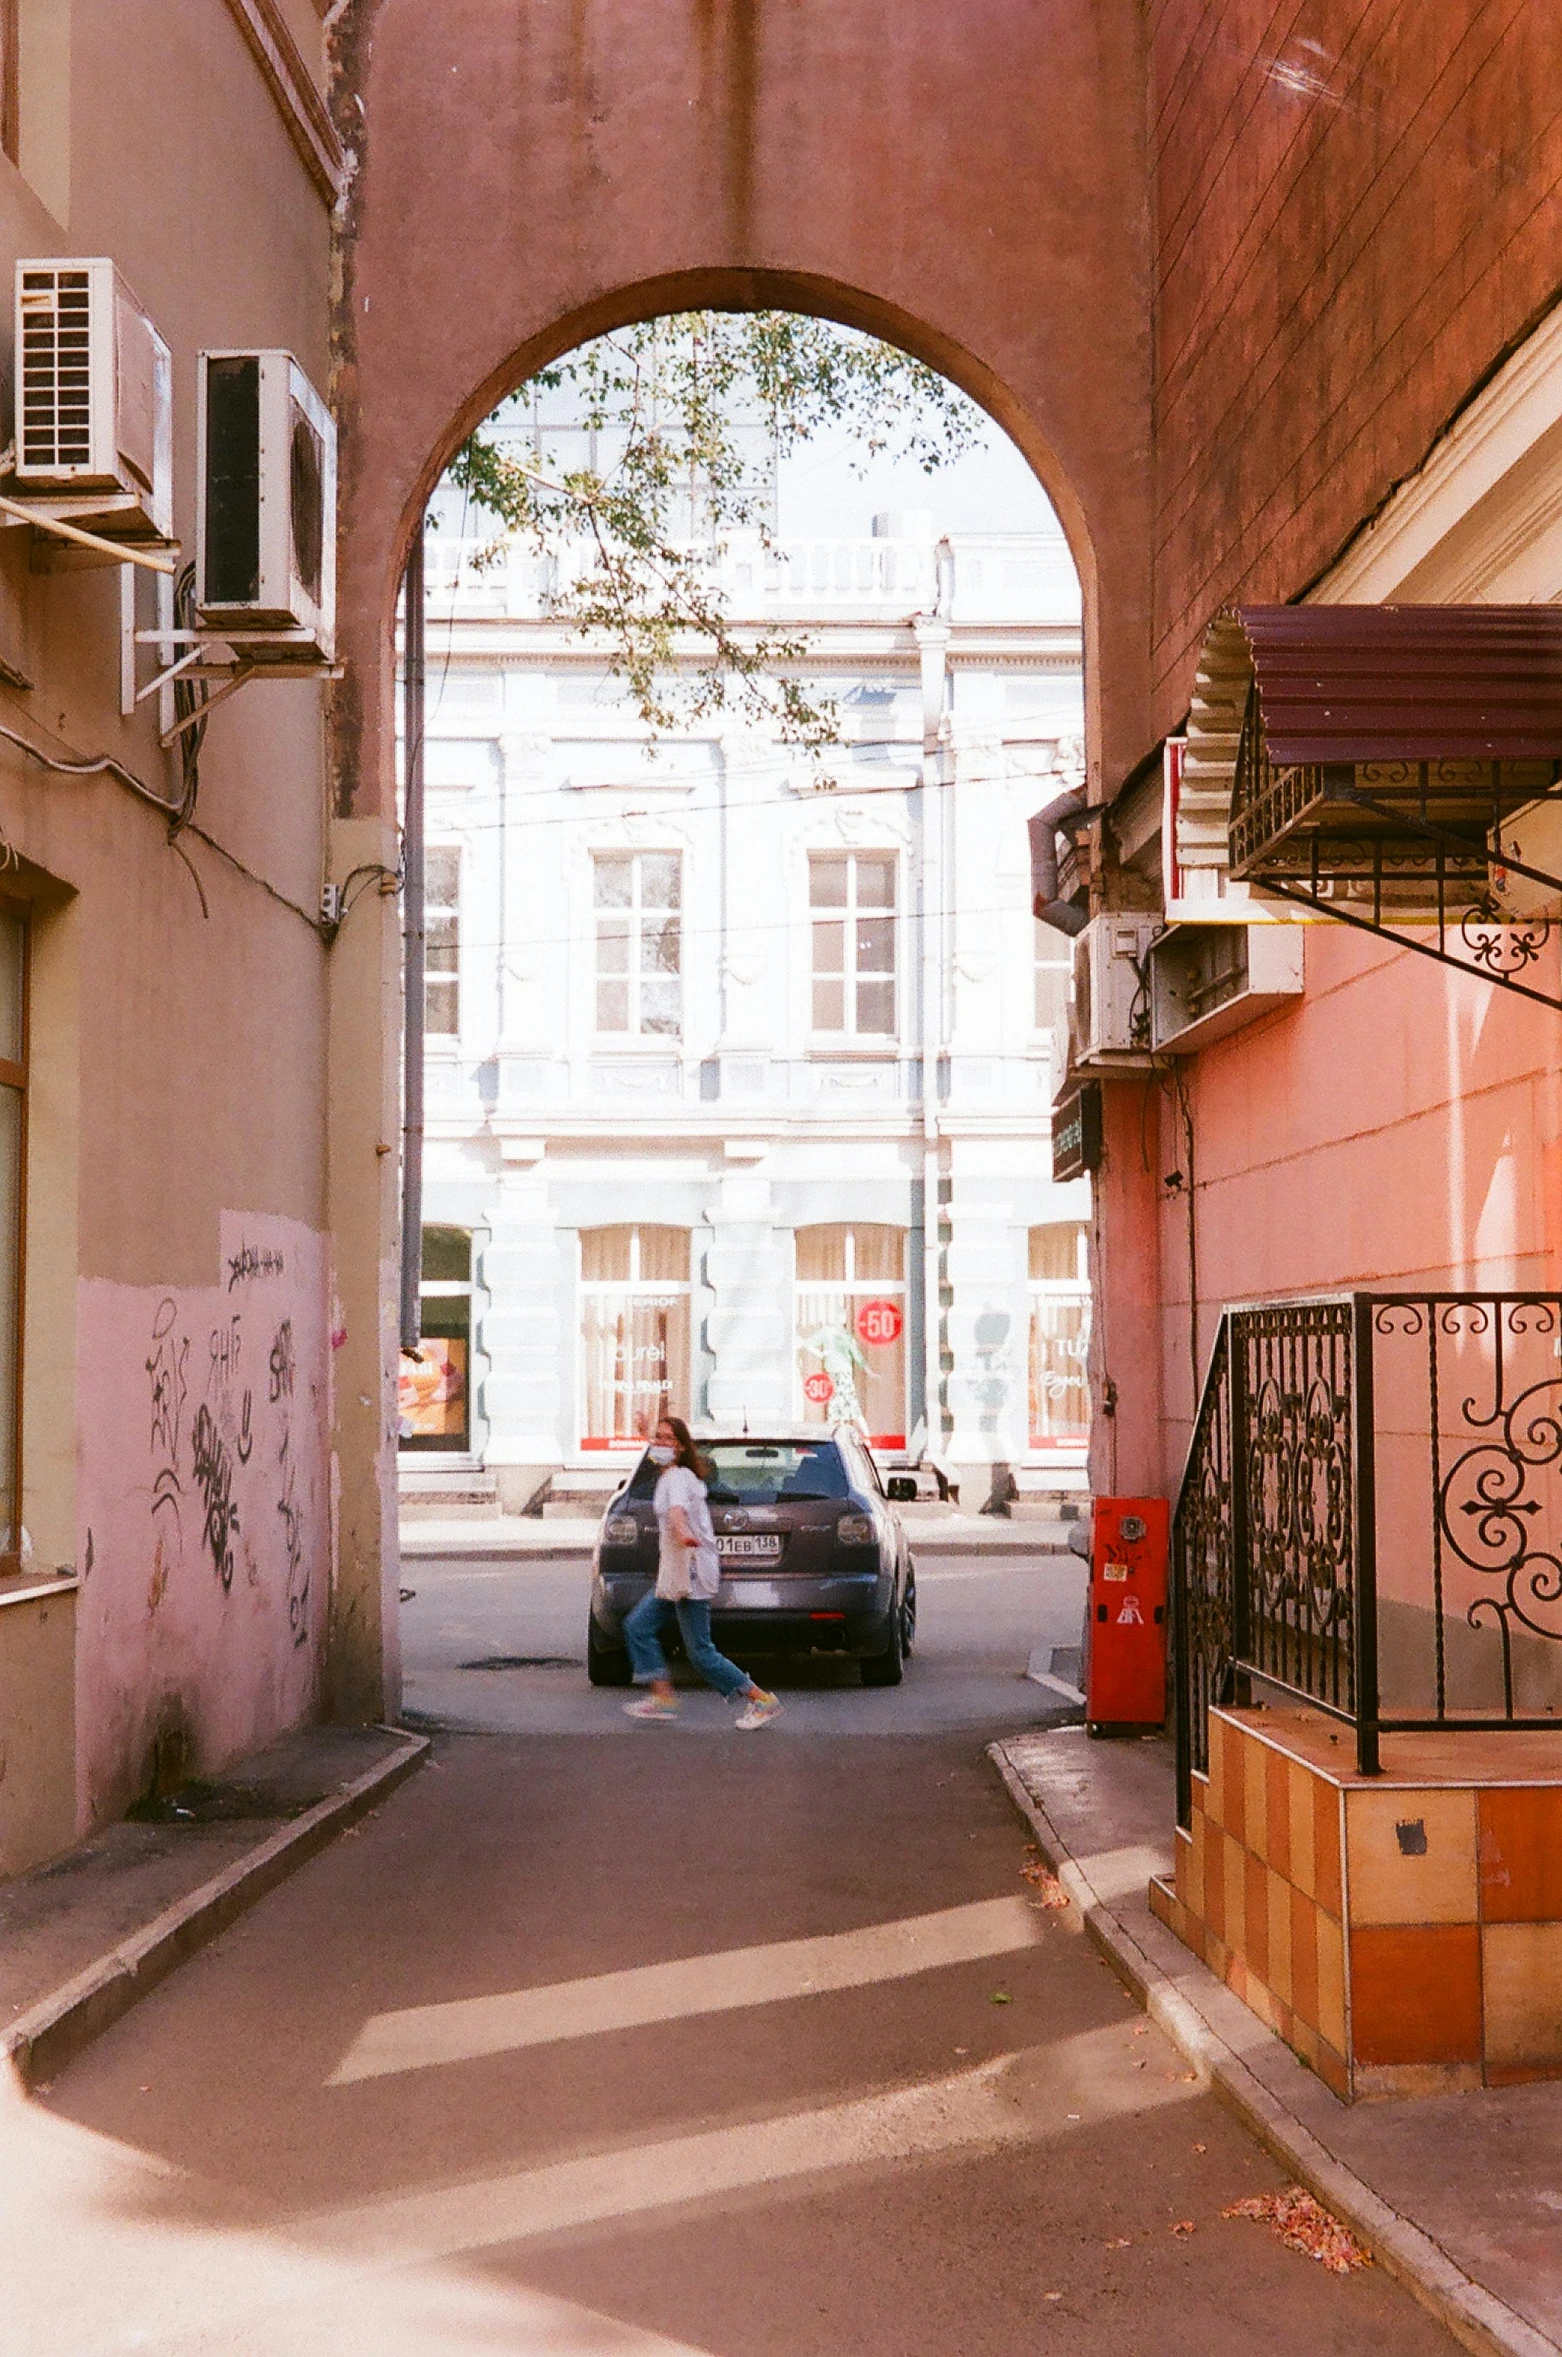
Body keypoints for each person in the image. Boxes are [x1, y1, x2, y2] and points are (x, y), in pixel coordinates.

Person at [623, 1415, 782, 1728]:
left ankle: (762, 1700)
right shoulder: (674, 1473)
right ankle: (663, 1697)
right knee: (640, 1627)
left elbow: (677, 1512)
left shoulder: (678, 1479)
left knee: (699, 1652)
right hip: (680, 1569)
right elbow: (658, 1457)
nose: (660, 1444)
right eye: (658, 1437)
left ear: (681, 1447)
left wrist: (683, 1533)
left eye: (668, 1439)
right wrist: (647, 1435)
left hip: (690, 1569)